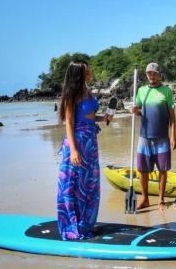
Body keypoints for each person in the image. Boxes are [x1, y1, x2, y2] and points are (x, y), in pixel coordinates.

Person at [57, 60, 113, 240]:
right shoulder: (71, 94)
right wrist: (73, 150)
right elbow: (69, 124)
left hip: (90, 142)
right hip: (77, 142)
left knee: (89, 184)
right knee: (75, 185)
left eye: (90, 72)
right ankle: (73, 226)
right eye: (87, 73)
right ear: (78, 74)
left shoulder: (87, 91)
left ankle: (84, 224)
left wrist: (104, 118)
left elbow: (89, 117)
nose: (91, 75)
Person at [130, 63, 176, 211]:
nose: (152, 76)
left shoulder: (166, 91)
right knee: (143, 170)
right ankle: (144, 198)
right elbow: (139, 112)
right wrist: (134, 110)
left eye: (155, 73)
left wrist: (173, 136)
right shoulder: (141, 91)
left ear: (159, 74)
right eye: (150, 74)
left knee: (163, 169)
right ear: (146, 75)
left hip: (162, 137)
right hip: (144, 136)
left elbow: (172, 117)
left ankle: (161, 200)